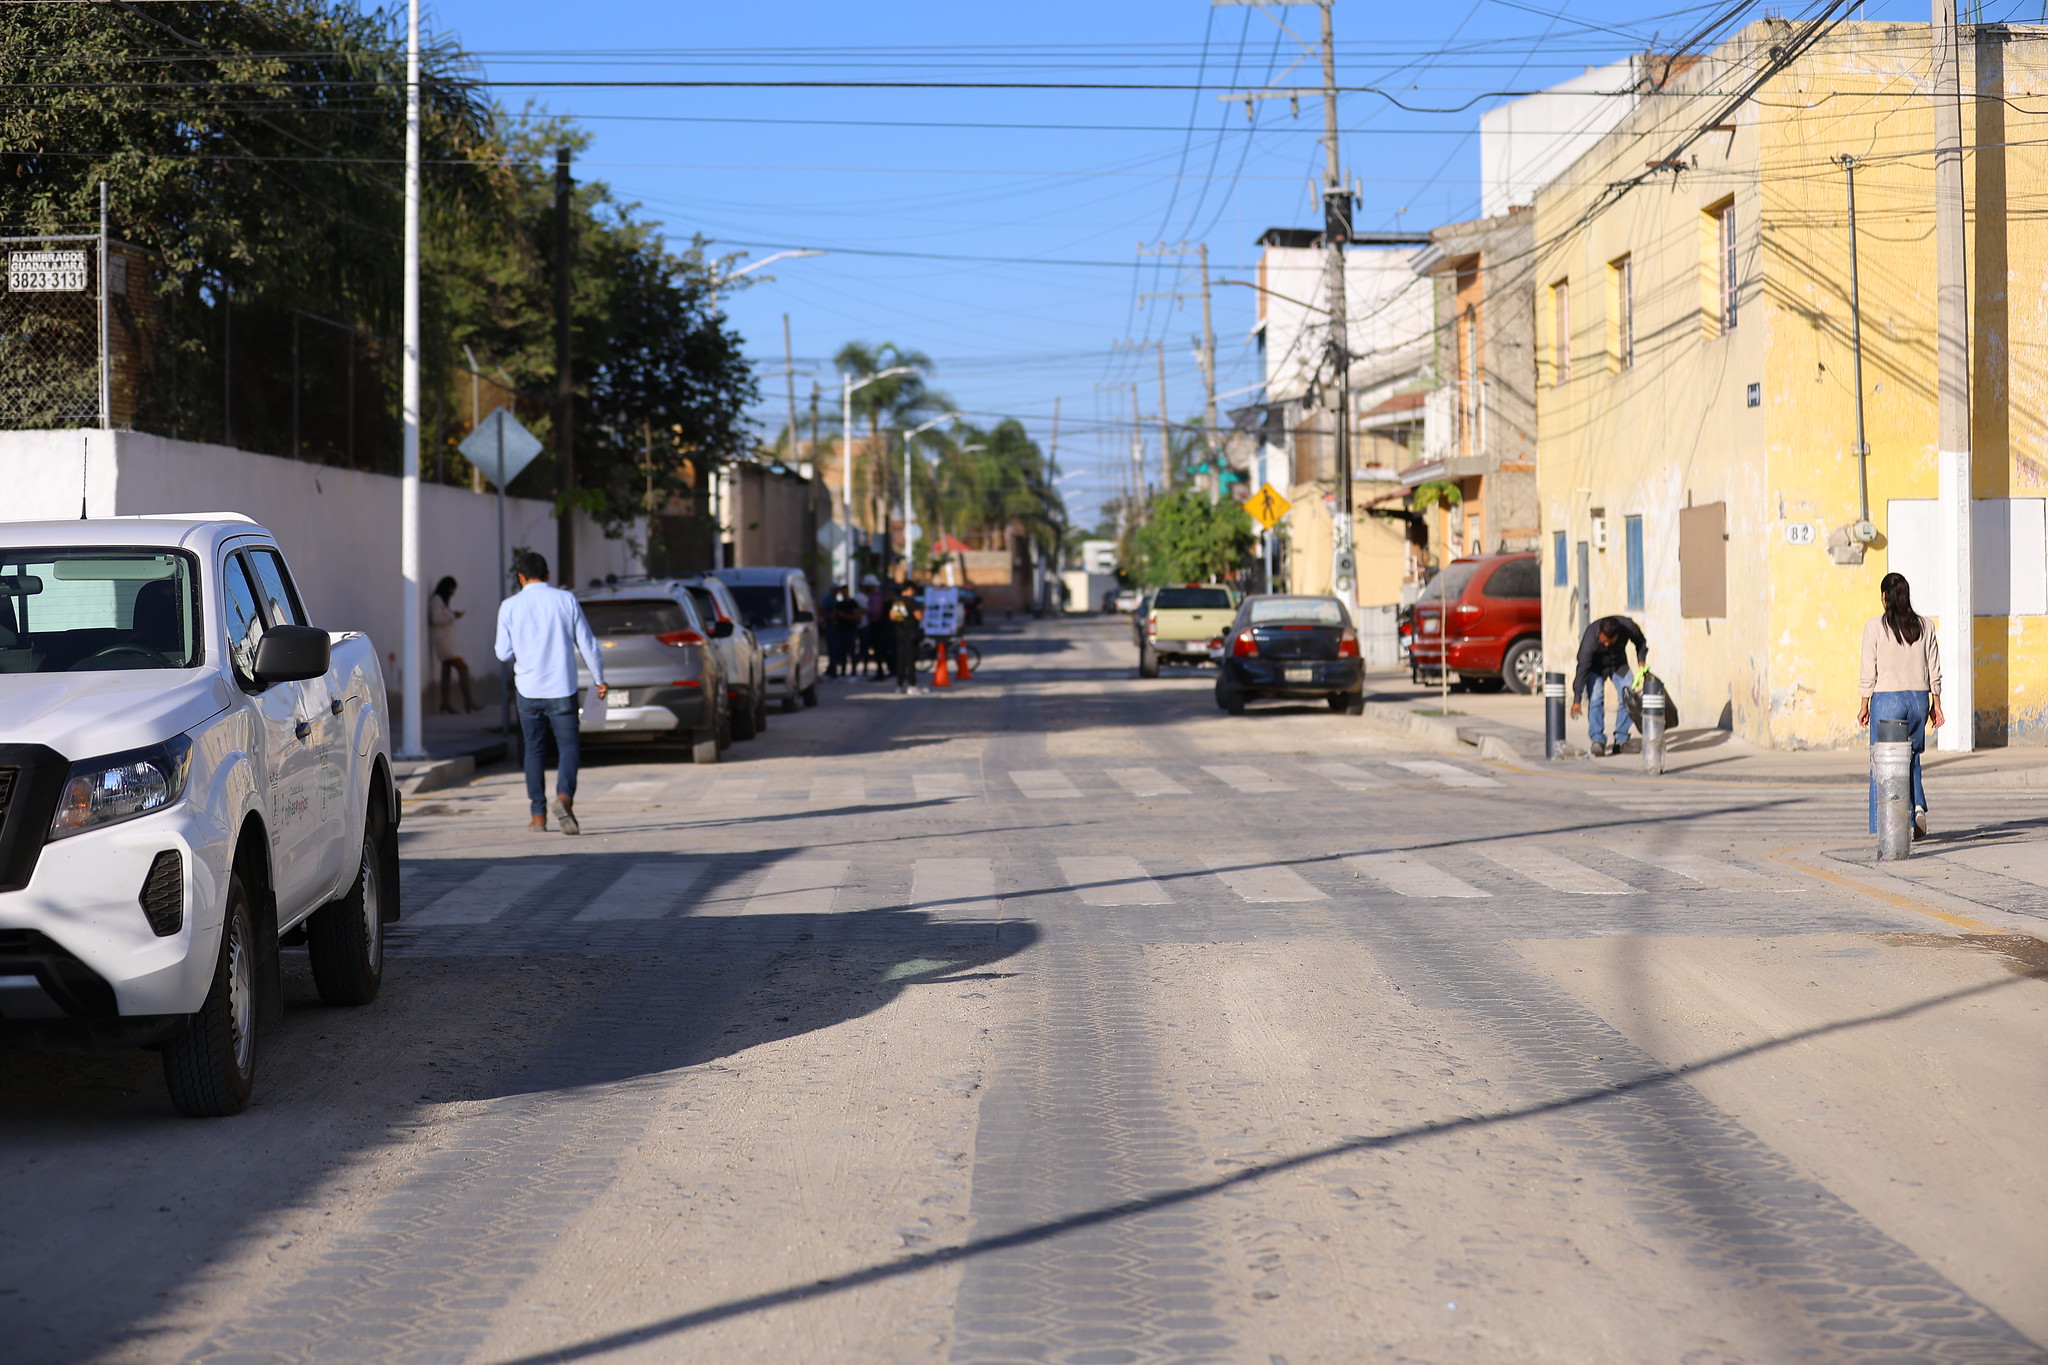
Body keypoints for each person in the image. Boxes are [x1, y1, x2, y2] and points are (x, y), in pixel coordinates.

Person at [494, 551, 606, 836]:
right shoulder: (565, 600)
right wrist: (600, 679)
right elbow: (587, 643)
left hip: (528, 690)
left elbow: (502, 653)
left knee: (533, 750)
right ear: (548, 575)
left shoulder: (509, 606)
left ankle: (538, 816)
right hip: (561, 688)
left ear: (520, 577)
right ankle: (564, 798)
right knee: (568, 747)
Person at [1860, 571, 1943, 839]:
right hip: (1919, 699)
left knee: (1884, 764)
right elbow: (1934, 668)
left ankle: (1888, 825)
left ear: (1884, 597)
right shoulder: (1925, 625)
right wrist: (1936, 704)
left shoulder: (1874, 627)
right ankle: (1917, 807)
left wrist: (1864, 704)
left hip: (1887, 700)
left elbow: (1868, 669)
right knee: (1912, 758)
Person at [1569, 614, 1649, 756]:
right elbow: (1582, 670)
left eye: (1610, 642)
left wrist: (1641, 659)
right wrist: (1577, 700)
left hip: (1619, 665)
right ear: (1599, 632)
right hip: (1596, 668)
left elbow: (1640, 641)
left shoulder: (1628, 627)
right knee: (1596, 699)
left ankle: (1621, 741)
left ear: (1618, 635)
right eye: (1603, 641)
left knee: (1629, 697)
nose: (1606, 644)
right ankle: (1597, 741)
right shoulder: (1590, 640)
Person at [430, 576, 481, 714]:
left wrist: (452, 614)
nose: (453, 592)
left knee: (446, 670)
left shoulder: (441, 601)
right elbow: (436, 618)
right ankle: (468, 701)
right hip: (444, 641)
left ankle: (445, 704)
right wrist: (452, 616)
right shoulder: (437, 600)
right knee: (462, 666)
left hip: (446, 640)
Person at [889, 581, 923, 693]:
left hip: (900, 634)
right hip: (911, 634)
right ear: (910, 589)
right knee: (910, 661)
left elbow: (892, 616)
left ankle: (899, 685)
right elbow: (919, 617)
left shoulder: (898, 602)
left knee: (901, 660)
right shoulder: (912, 602)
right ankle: (912, 685)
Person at [826, 585, 862, 679]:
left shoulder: (853, 603)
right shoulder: (839, 604)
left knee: (852, 652)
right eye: (842, 592)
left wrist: (845, 616)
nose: (844, 593)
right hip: (841, 631)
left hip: (851, 631)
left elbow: (857, 617)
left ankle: (854, 670)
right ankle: (842, 671)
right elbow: (834, 616)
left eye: (845, 591)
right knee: (842, 652)